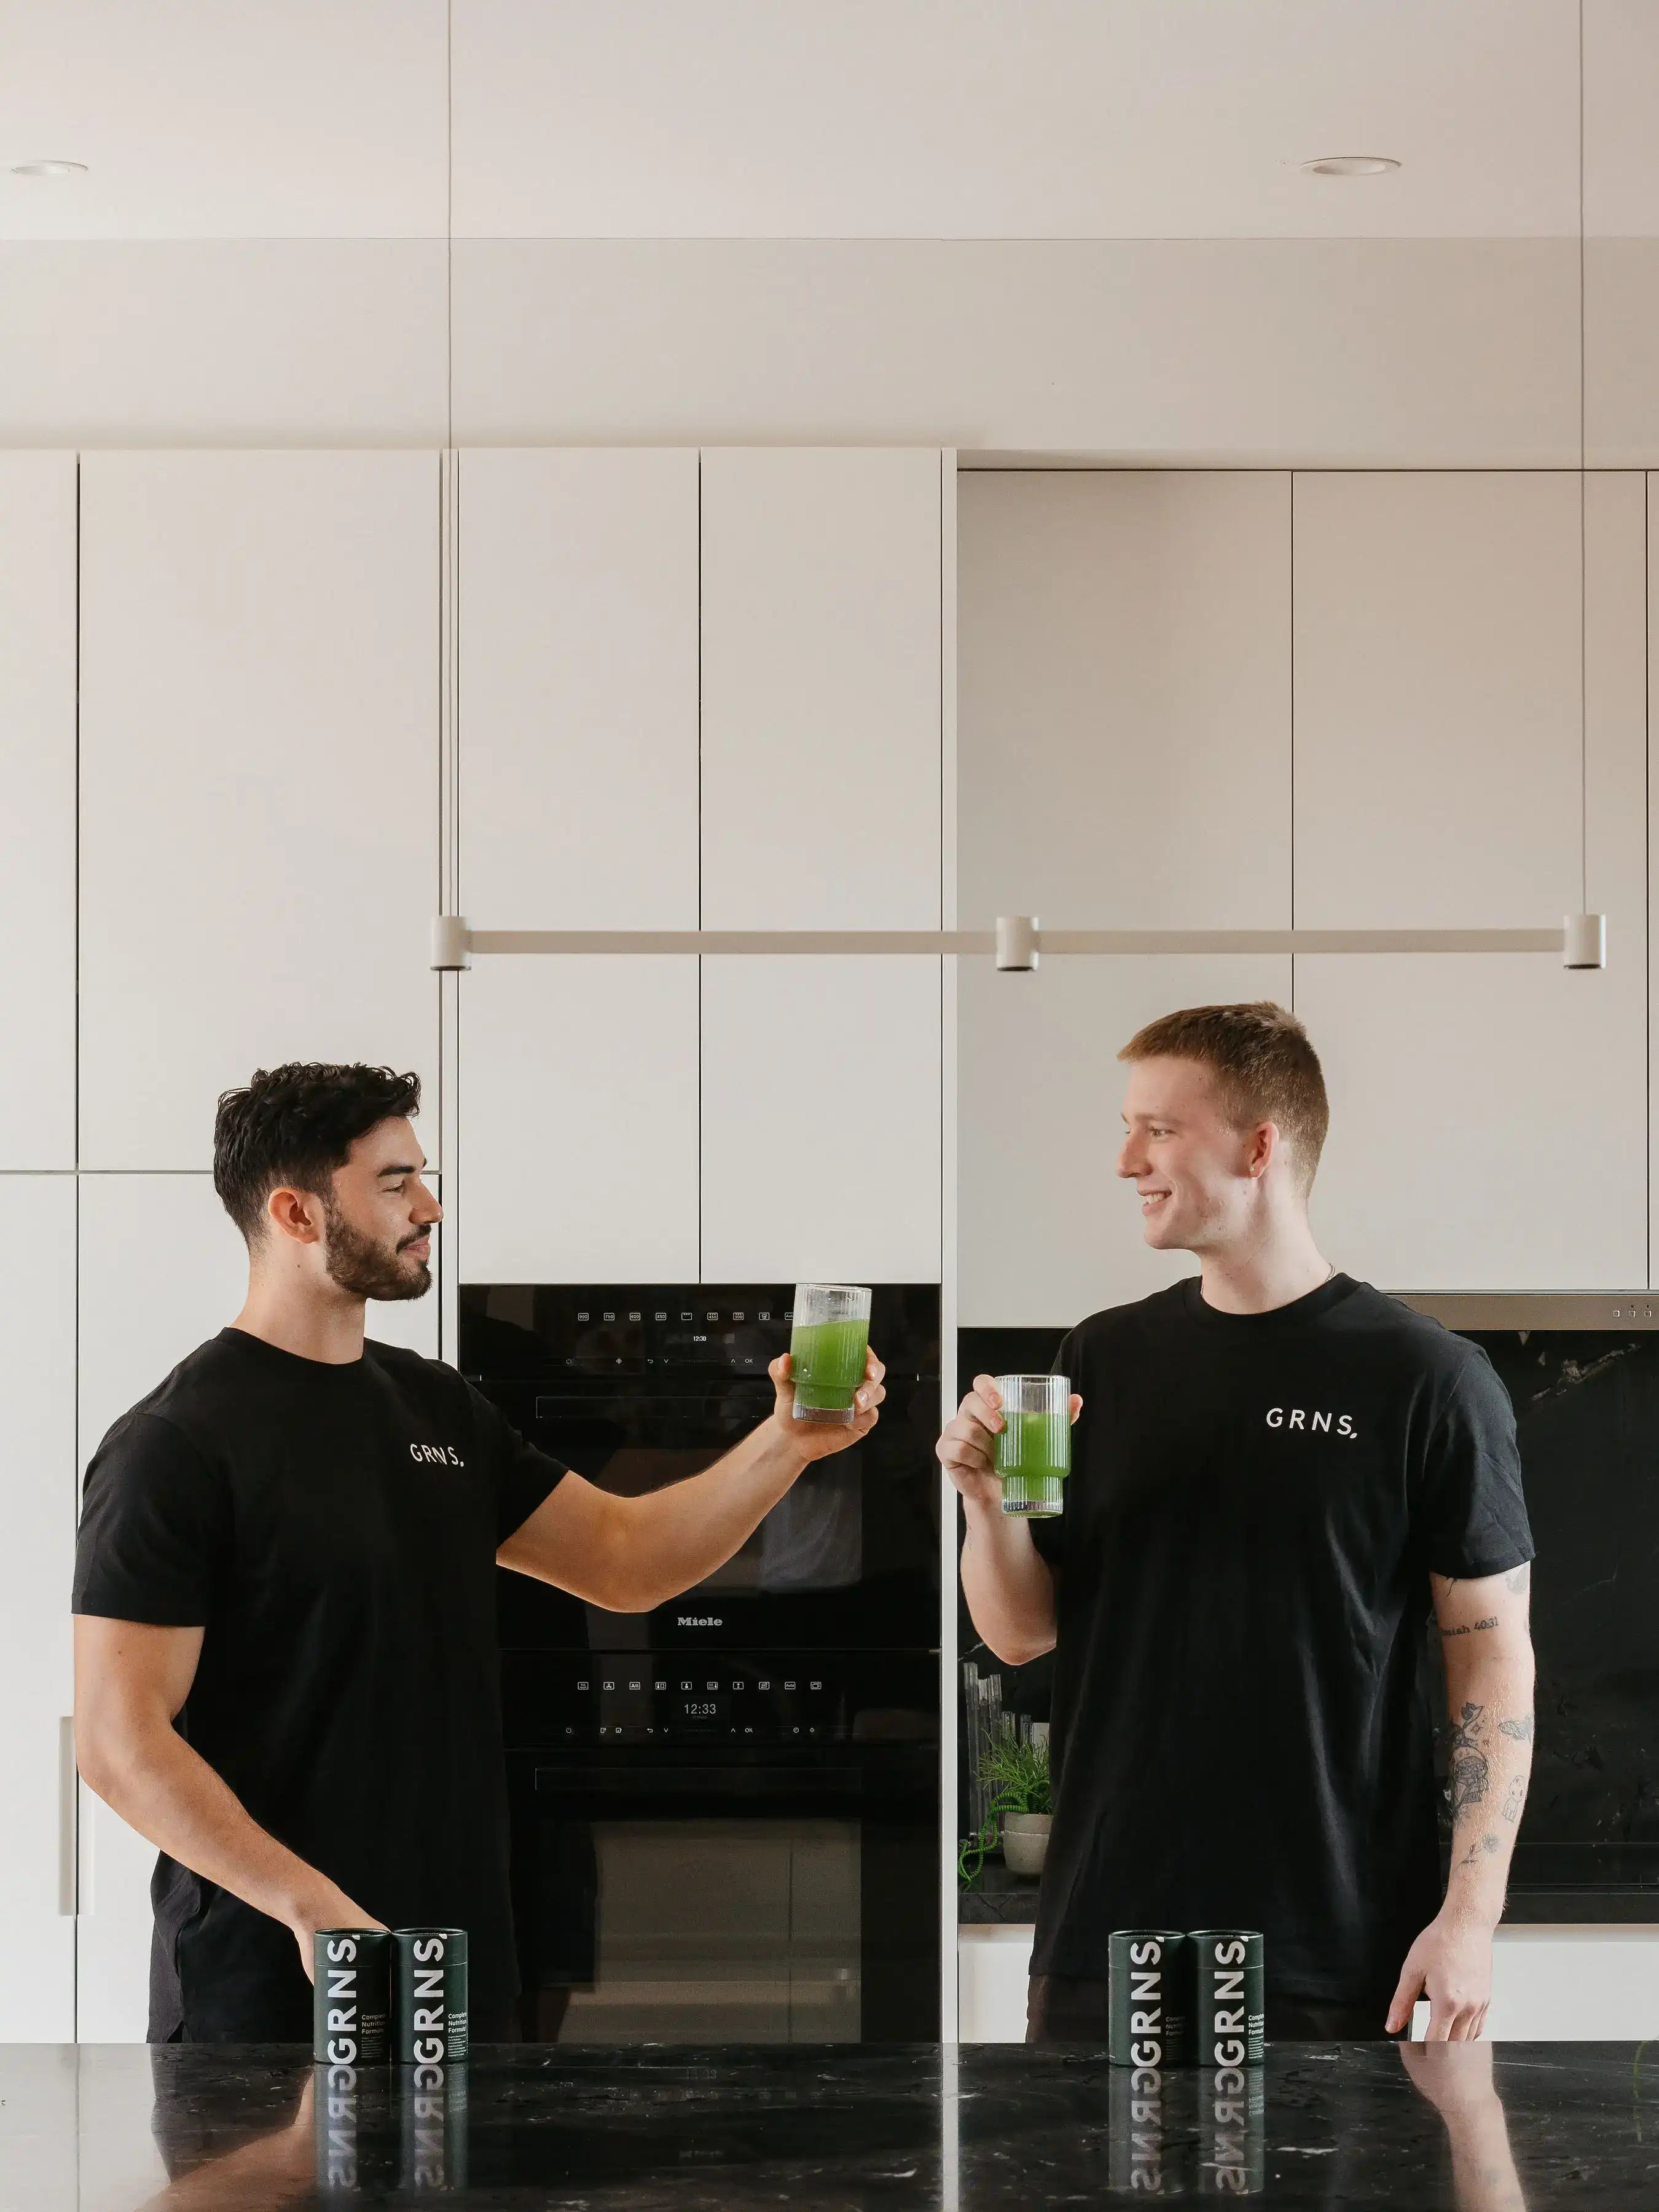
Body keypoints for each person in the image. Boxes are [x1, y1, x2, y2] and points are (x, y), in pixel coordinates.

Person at [73, 1062, 884, 2043]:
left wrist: (786, 1442)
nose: (431, 1208)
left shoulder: (437, 1405)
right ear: (294, 1212)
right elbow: (120, 1743)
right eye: (393, 1183)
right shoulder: (176, 1442)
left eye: (424, 1176)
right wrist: (311, 1909)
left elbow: (626, 1562)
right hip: (273, 1979)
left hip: (457, 1961)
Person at [939, 1003, 1535, 2044]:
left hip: (1337, 1945)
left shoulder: (1426, 1379)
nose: (1127, 1160)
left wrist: (1470, 1917)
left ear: (1262, 1145)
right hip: (1104, 1936)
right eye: (1128, 1127)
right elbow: (1023, 1631)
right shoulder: (1100, 1360)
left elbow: (1492, 1663)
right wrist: (985, 1506)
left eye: (1160, 1129)